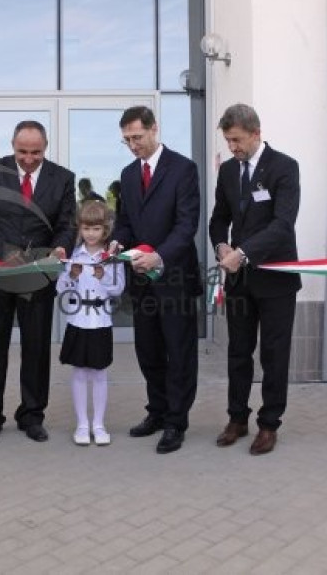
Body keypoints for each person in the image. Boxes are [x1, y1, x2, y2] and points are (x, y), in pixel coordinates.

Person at [0, 120, 76, 445]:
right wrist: (6, 252)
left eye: (36, 153)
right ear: (12, 145)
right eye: (22, 152)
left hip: (38, 278)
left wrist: (61, 247)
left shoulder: (63, 178)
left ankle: (32, 416)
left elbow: (67, 223)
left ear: (46, 148)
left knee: (36, 349)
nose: (29, 159)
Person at [209, 103, 301, 456]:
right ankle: (237, 418)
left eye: (237, 140)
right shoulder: (228, 171)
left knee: (274, 355)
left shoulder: (284, 167)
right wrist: (221, 246)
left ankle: (269, 424)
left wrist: (243, 252)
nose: (232, 147)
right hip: (239, 280)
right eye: (228, 140)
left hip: (276, 279)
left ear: (256, 133)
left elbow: (282, 225)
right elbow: (219, 218)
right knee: (238, 352)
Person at [111, 105, 202, 455]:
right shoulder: (128, 175)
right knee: (148, 350)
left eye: (137, 137)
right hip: (141, 280)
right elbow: (125, 222)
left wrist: (159, 256)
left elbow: (186, 225)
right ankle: (158, 411)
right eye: (127, 140)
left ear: (154, 129)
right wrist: (119, 242)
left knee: (178, 352)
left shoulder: (183, 169)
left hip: (174, 276)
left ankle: (176, 421)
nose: (133, 145)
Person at [56, 201, 125, 446]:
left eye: (96, 229)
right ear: (80, 228)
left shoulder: (112, 257)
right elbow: (60, 288)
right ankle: (82, 425)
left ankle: (99, 424)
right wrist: (71, 275)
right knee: (79, 372)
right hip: (78, 320)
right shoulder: (74, 254)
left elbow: (118, 288)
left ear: (105, 229)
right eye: (86, 228)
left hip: (101, 321)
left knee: (99, 373)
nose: (91, 234)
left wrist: (103, 275)